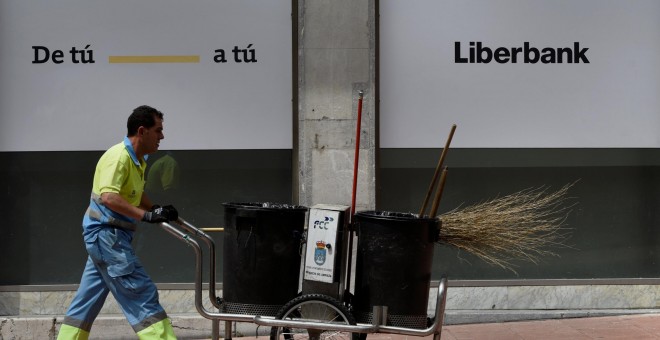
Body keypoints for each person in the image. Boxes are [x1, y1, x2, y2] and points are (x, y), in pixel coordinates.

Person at [58, 105, 178, 340]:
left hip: (110, 237)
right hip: (107, 236)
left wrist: (155, 208)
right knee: (141, 292)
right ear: (142, 131)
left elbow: (134, 192)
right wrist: (146, 216)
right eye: (158, 130)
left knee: (86, 301)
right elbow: (109, 197)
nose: (162, 136)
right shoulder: (118, 158)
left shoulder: (138, 160)